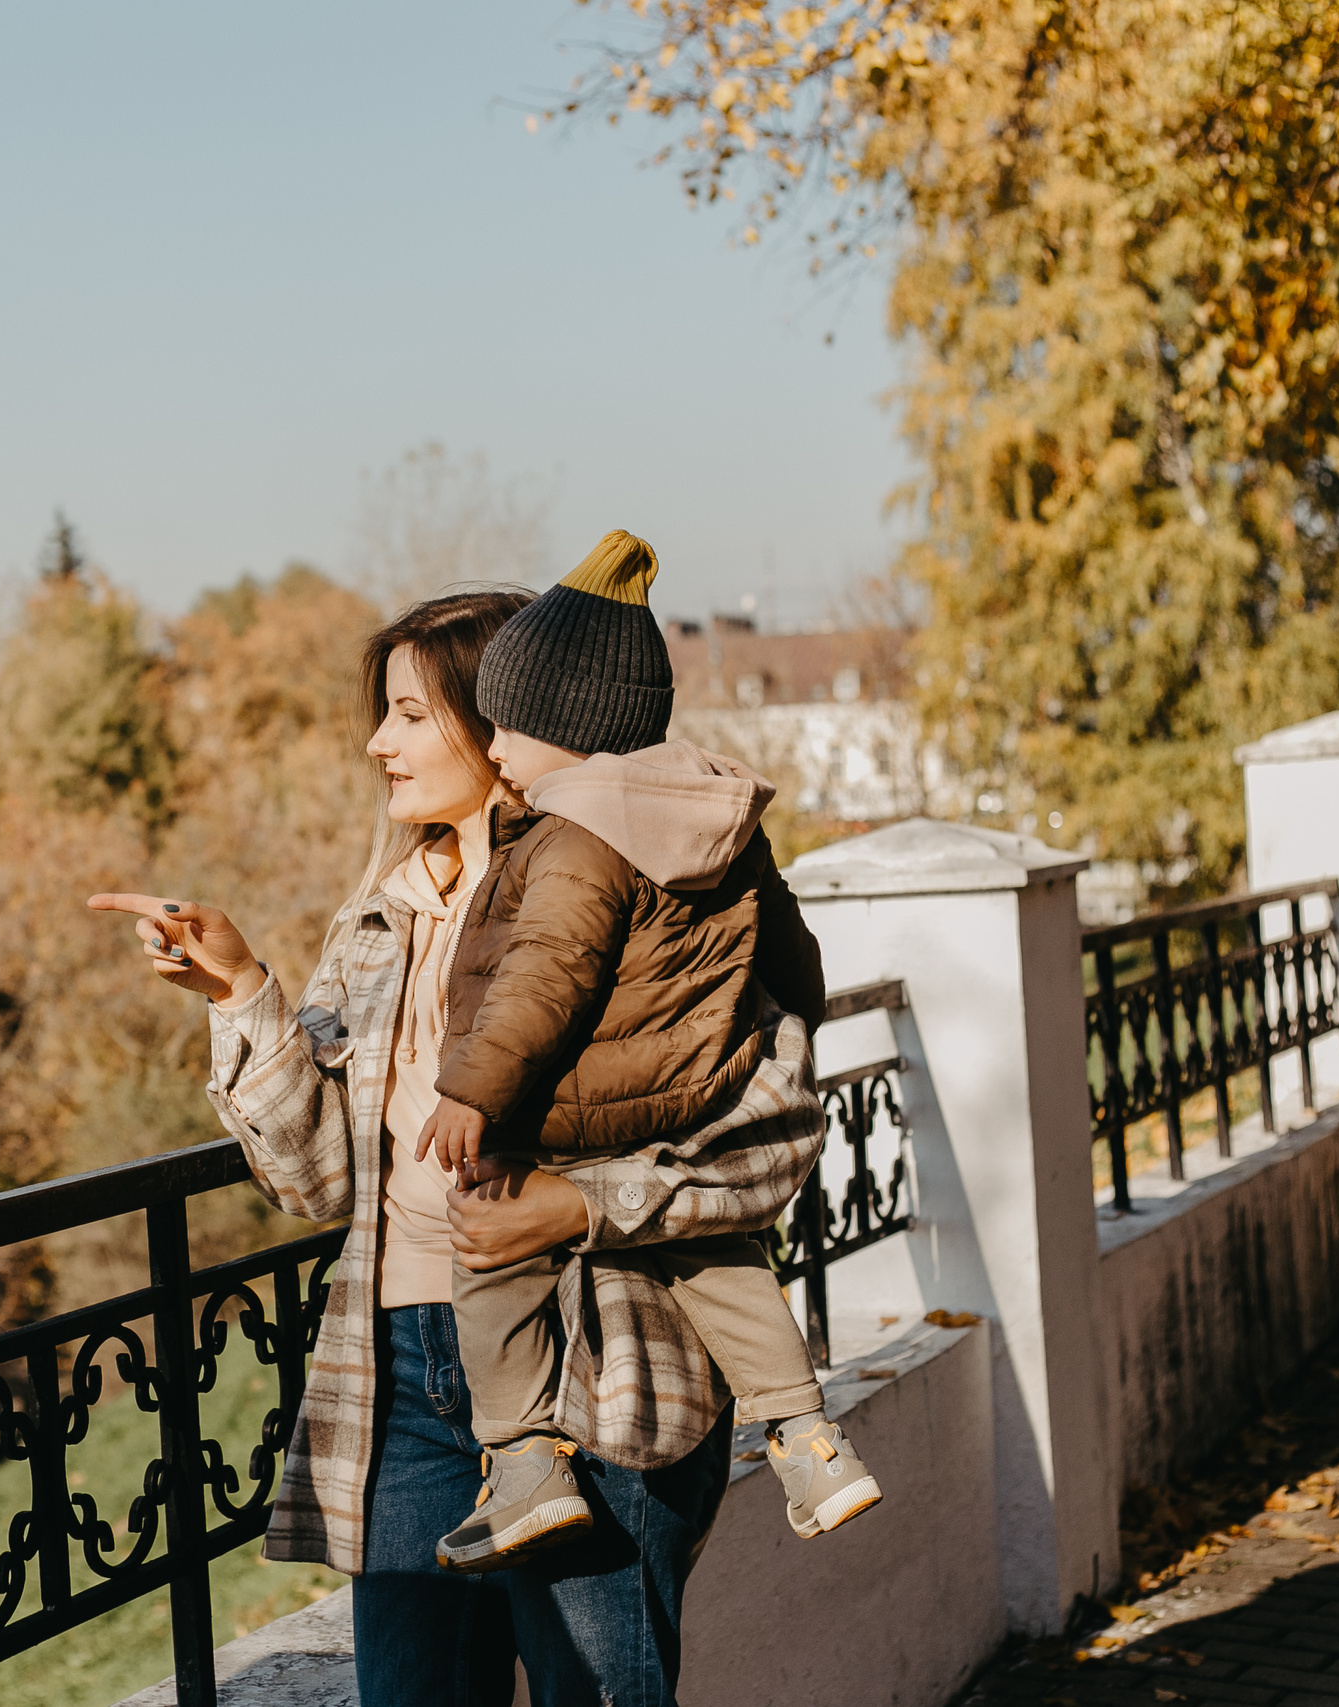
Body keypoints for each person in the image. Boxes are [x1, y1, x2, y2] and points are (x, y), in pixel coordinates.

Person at [88, 586, 830, 1707]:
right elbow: (317, 1179)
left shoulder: (661, 895)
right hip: (399, 1371)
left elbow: (772, 1140)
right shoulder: (380, 917)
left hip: (600, 1364)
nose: (375, 742)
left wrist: (575, 1209)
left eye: (407, 715)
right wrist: (242, 992)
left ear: (503, 727)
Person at [405, 532, 879, 1577]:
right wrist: (784, 1018)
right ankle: (807, 1440)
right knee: (718, 1261)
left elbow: (545, 977)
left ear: (562, 728)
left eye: (509, 728)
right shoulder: (720, 827)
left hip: (573, 1108)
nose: (497, 751)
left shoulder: (571, 841)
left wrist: (470, 1089)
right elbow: (789, 958)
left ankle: (524, 1465)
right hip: (690, 1097)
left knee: (488, 1253)